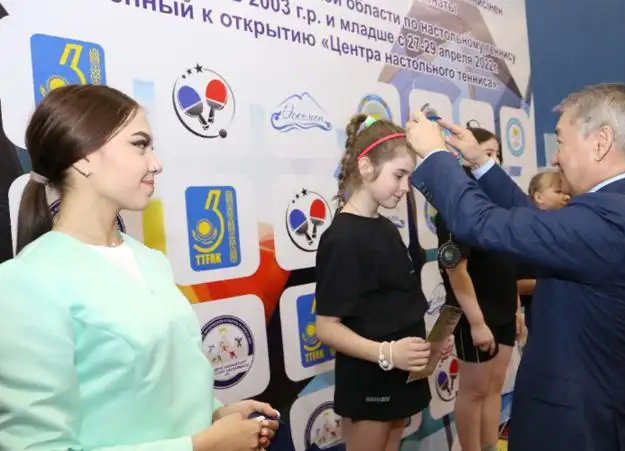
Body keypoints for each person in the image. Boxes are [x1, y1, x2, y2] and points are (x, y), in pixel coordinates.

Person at [0, 85, 279, 450]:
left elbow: (155, 383)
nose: (156, 163)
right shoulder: (27, 282)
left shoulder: (150, 260)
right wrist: (202, 445)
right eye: (140, 145)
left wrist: (213, 413)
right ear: (83, 158)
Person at [405, 83, 625, 451]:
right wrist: (480, 163)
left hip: (581, 430)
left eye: (560, 141)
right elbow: (533, 220)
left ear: (601, 141)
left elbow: (482, 223)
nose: (556, 158)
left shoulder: (613, 219)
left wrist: (436, 156)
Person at [315, 114, 446, 451]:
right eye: (399, 175)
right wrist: (388, 353)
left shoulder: (386, 228)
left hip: (401, 375)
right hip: (369, 382)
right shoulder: (341, 238)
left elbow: (394, 306)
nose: (405, 188)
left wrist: (423, 347)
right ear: (366, 167)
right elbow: (326, 328)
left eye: (409, 178)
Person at [434, 127, 524, 451]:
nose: (494, 160)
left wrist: (516, 308)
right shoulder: (455, 206)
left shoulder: (500, 204)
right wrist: (476, 322)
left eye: (497, 154)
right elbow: (456, 270)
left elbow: (508, 261)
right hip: (474, 314)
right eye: (487, 153)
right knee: (474, 391)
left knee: (494, 386)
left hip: (503, 311)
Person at [517, 171, 570, 329]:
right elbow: (514, 284)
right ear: (539, 197)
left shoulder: (569, 230)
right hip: (542, 319)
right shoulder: (524, 235)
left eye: (567, 192)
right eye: (559, 192)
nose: (566, 197)